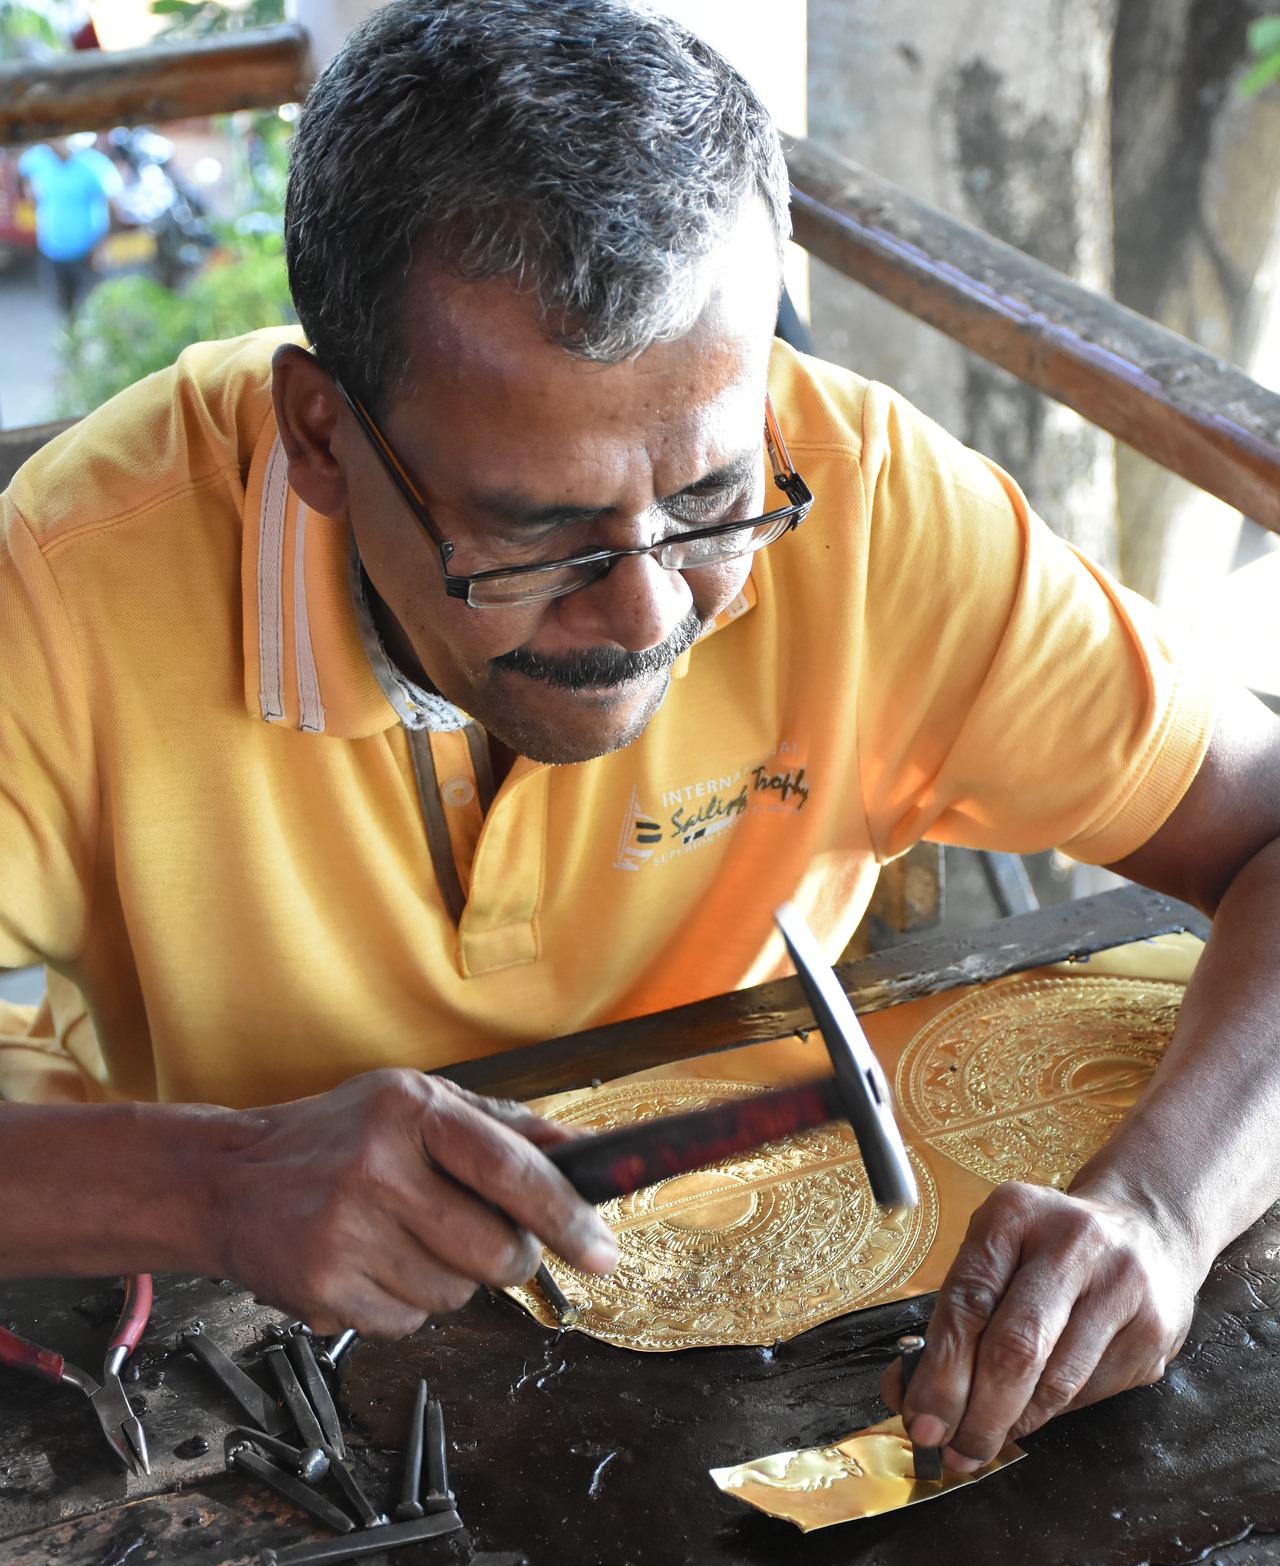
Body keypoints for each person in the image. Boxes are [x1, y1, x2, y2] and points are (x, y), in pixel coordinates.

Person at [2, 0, 1279, 1481]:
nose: (649, 609)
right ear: (320, 438)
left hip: (716, 1324)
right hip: (218, 1355)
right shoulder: (74, 585)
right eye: (533, 531)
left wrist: (1165, 1212)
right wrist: (209, 1184)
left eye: (712, 498)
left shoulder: (864, 504)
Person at [18, 134, 122, 314]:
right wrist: (31, 192)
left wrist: (101, 247)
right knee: (64, 305)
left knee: (95, 308)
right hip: (52, 250)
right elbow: (22, 171)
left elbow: (114, 207)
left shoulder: (94, 165)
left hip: (87, 253)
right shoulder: (38, 159)